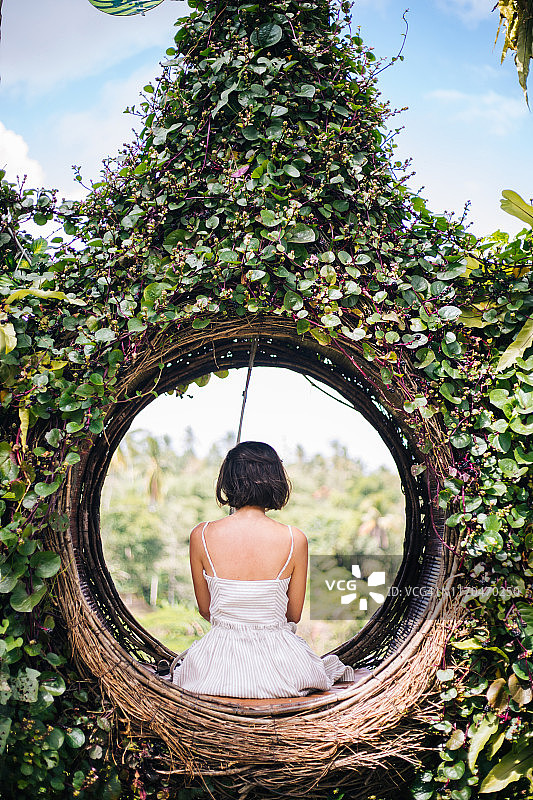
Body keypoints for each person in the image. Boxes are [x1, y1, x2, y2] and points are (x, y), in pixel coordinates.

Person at [172, 441, 371, 698]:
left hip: (215, 666)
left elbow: (205, 609)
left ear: (228, 480)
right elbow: (293, 614)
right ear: (275, 480)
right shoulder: (294, 538)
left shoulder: (201, 534)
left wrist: (235, 628)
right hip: (280, 665)